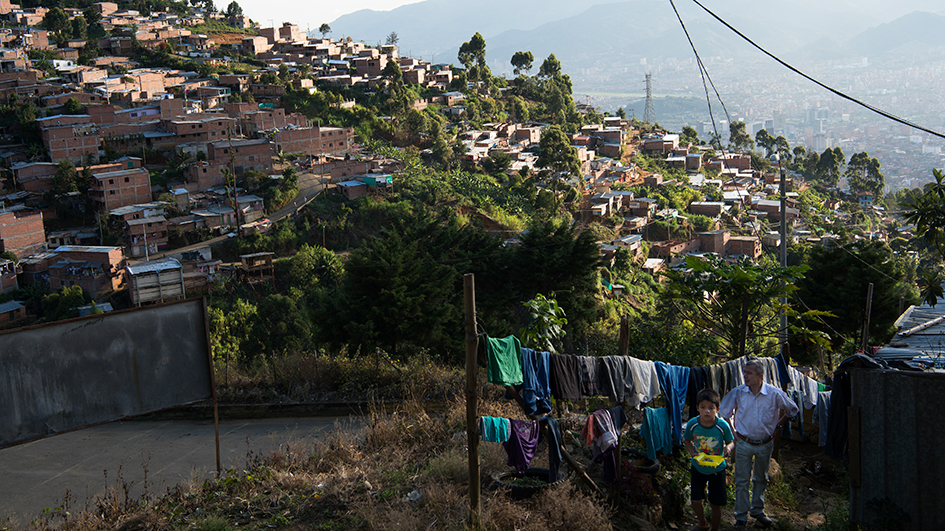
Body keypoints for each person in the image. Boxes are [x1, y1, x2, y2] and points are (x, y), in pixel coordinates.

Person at [720, 358, 799, 528]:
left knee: (761, 478)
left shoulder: (774, 394)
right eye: (745, 372)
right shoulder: (738, 392)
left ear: (760, 376)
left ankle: (757, 510)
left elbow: (792, 410)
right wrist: (733, 433)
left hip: (765, 443)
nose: (745, 376)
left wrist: (778, 425)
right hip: (743, 443)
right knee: (741, 480)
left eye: (749, 373)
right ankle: (740, 516)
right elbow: (724, 412)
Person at [683, 388, 734, 531]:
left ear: (717, 409)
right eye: (703, 407)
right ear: (697, 408)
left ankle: (715, 529)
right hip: (698, 467)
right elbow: (686, 440)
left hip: (717, 469)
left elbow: (731, 441)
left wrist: (728, 448)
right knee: (695, 501)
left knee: (715, 504)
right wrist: (693, 453)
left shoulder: (722, 425)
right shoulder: (692, 424)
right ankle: (703, 523)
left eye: (711, 408)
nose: (707, 411)